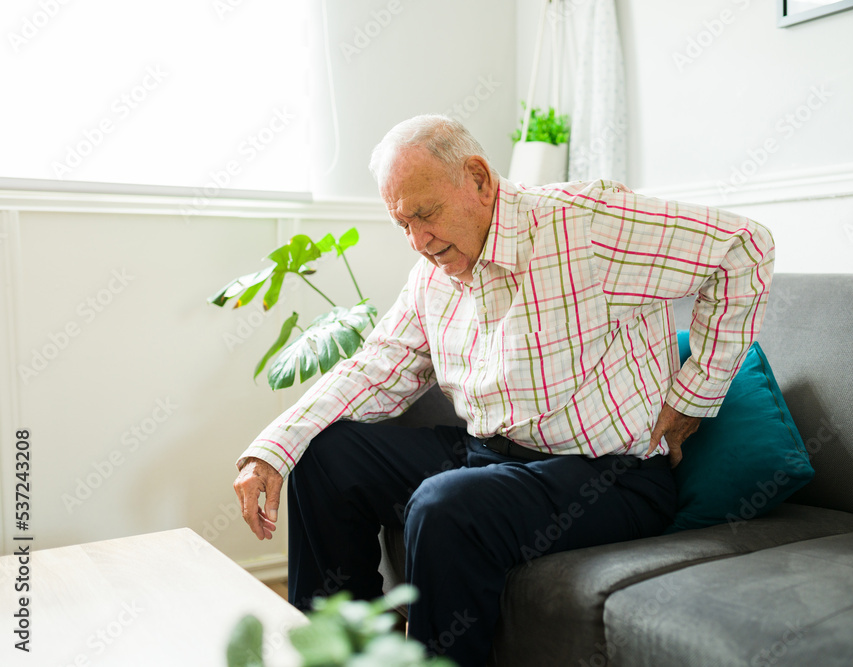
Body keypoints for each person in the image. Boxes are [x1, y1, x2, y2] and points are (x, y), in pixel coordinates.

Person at [233, 114, 774, 666]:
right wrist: (272, 448)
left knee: (445, 506)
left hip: (609, 476)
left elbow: (746, 249)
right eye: (402, 224)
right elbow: (377, 366)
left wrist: (694, 395)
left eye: (426, 214)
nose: (418, 240)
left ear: (479, 179)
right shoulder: (434, 272)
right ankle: (346, 652)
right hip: (489, 461)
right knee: (324, 454)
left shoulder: (585, 224)